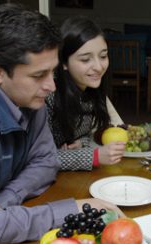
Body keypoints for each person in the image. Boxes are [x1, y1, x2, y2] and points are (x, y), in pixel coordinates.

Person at [0, 3, 123, 244]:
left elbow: (46, 161)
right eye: (38, 75)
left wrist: (3, 201)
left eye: (52, 72)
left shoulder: (28, 94)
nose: (51, 86)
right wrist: (68, 210)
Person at [46, 16, 126, 171]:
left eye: (103, 56)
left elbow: (87, 134)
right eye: (85, 60)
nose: (98, 66)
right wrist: (94, 156)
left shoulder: (91, 89)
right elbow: (41, 158)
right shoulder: (48, 94)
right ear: (63, 63)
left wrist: (81, 143)